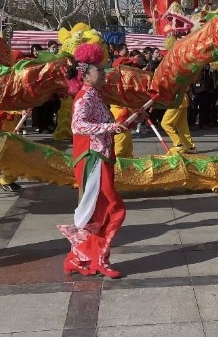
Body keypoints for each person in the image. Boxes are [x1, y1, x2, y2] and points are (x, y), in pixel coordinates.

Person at [57, 43, 137, 279]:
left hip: (102, 157)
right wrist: (109, 127)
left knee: (97, 211)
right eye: (99, 71)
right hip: (93, 160)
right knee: (111, 209)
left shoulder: (95, 95)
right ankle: (99, 259)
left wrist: (120, 124)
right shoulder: (85, 97)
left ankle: (77, 259)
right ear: (85, 75)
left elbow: (103, 125)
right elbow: (78, 126)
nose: (103, 73)